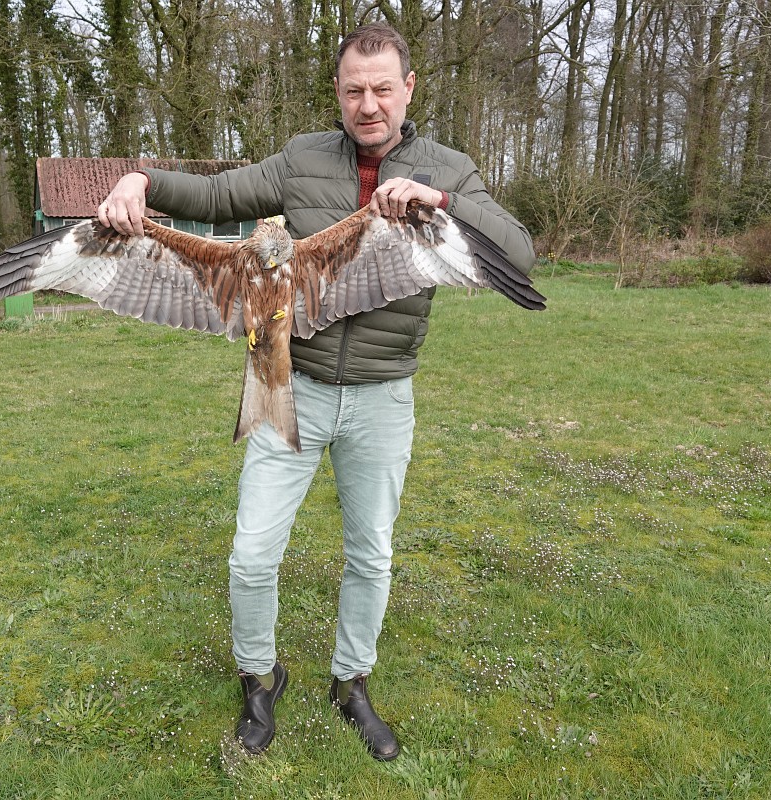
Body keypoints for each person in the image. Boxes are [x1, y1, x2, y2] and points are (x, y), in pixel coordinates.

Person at [98, 23, 535, 760]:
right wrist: (142, 179)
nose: (369, 104)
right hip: (286, 384)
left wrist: (438, 199)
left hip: (382, 396)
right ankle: (259, 679)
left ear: (408, 89)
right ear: (337, 91)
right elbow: (215, 194)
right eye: (354, 90)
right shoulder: (301, 160)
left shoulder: (449, 169)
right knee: (251, 555)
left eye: (383, 89)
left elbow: (519, 253)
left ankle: (351, 682)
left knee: (371, 555)